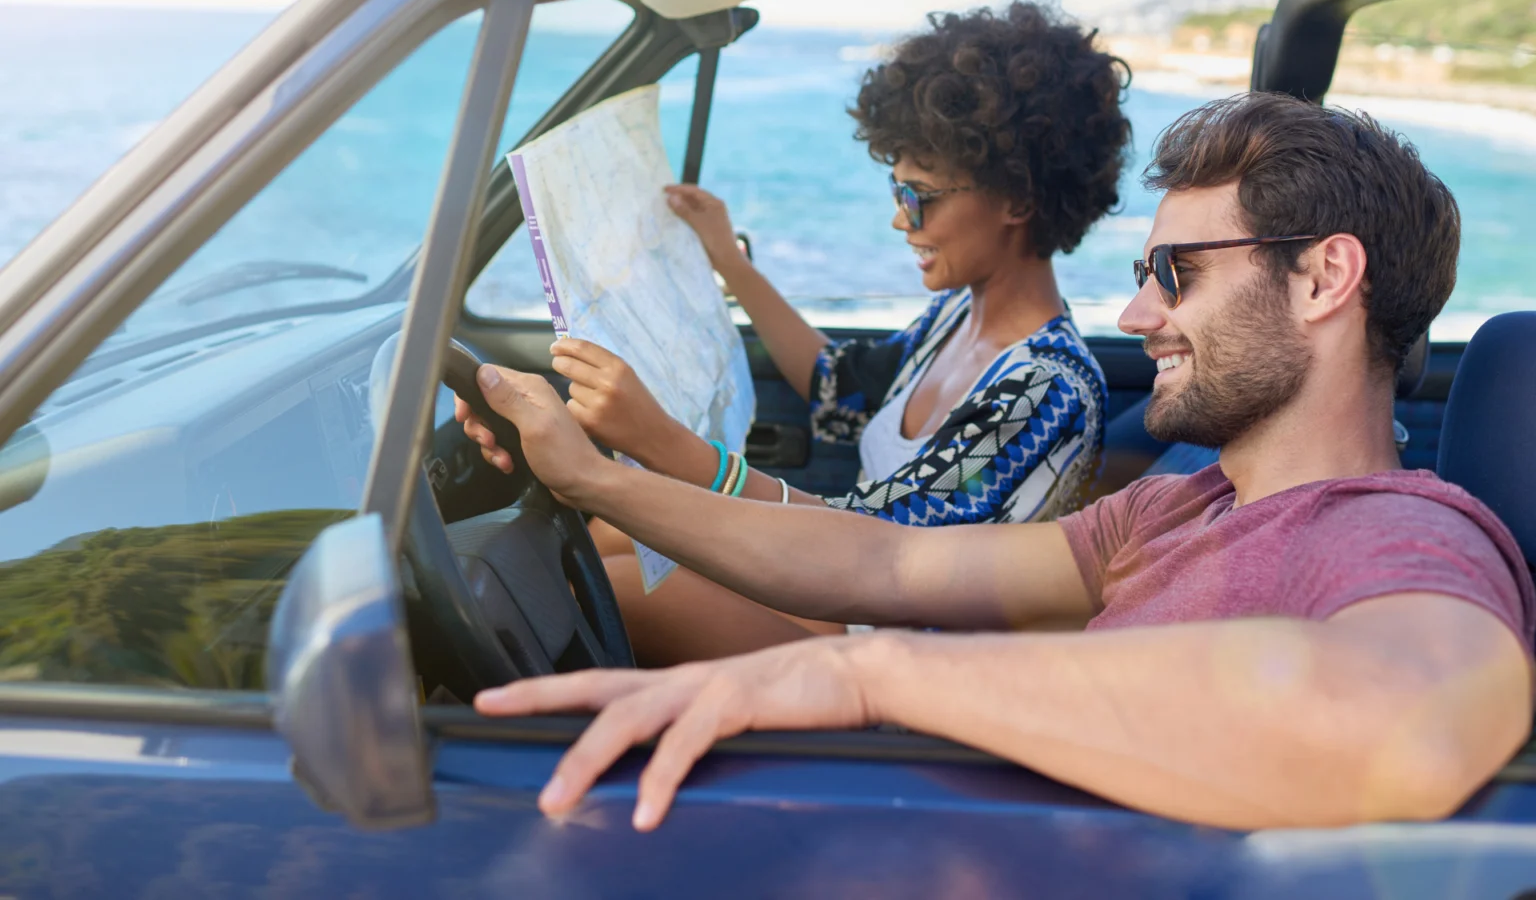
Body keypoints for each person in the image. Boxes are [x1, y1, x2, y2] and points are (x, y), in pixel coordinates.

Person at [463, 91, 1535, 833]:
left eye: (1177, 275)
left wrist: (871, 675)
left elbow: (1416, 722)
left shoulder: (1399, 531)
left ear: (1321, 281)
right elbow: (887, 567)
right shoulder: (1178, 509)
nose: (1135, 313)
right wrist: (594, 479)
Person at [464, 0, 1132, 663]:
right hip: (846, 598)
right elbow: (834, 385)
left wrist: (663, 444)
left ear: (1017, 197)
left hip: (895, 652)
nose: (901, 221)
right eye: (895, 191)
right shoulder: (958, 316)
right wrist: (728, 261)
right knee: (606, 537)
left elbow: (880, 549)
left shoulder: (1047, 393)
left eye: (918, 196)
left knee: (610, 589)